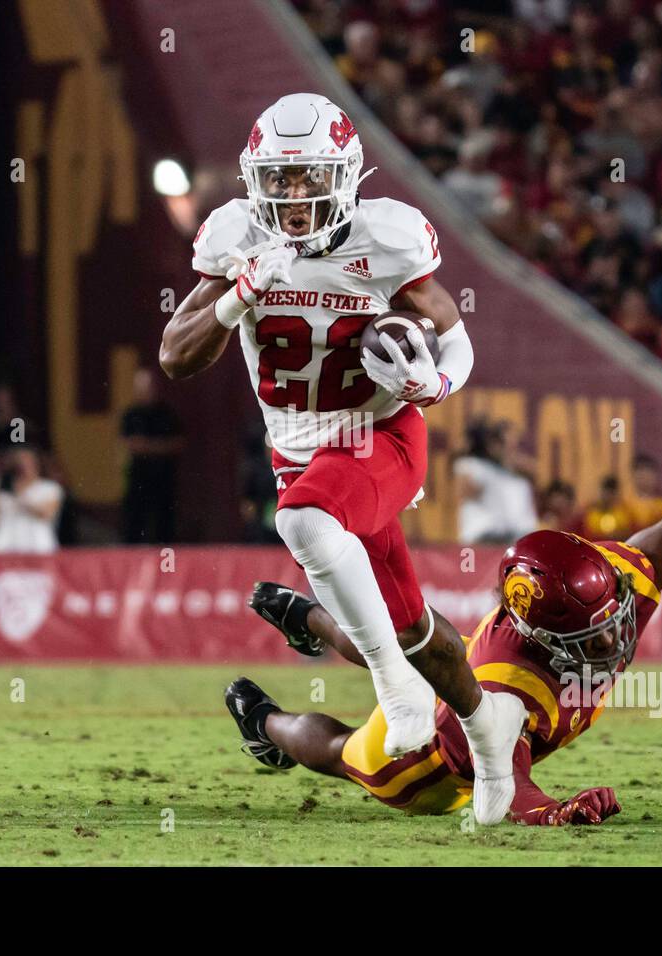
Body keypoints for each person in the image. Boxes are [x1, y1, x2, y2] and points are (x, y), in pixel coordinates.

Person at [161, 94, 526, 825]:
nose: (294, 198)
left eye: (309, 177)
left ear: (346, 175)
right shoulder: (236, 239)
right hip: (298, 449)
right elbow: (175, 355)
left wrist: (436, 381)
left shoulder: (385, 238)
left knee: (301, 521)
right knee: (416, 629)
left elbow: (453, 333)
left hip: (379, 436)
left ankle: (396, 689)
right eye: (280, 180)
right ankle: (490, 738)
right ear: (255, 180)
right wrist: (241, 294)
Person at [230, 503, 662, 824]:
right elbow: (507, 785)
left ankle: (307, 616)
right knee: (345, 751)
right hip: (434, 762)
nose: (617, 634)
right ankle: (266, 725)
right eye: (594, 635)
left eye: (614, 615)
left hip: (465, 664)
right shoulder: (511, 687)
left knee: (393, 645)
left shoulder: (609, 579)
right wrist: (552, 811)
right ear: (546, 638)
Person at [119, 367, 183, 543]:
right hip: (138, 478)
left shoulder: (166, 414)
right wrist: (157, 446)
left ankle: (166, 564)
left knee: (164, 524)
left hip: (163, 478)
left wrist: (147, 446)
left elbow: (177, 443)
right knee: (134, 522)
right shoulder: (130, 415)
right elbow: (128, 444)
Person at [452, 419, 538, 544]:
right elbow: (464, 490)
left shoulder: (519, 475)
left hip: (516, 539)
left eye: (514, 445)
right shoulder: (475, 466)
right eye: (504, 444)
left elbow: (536, 472)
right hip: (484, 540)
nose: (510, 449)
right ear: (492, 445)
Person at [0, 447, 63, 554]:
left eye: (27, 461)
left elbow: (46, 514)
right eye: (19, 461)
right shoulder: (2, 489)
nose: (23, 465)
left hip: (37, 545)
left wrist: (18, 496)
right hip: (5, 544)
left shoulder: (49, 488)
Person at [623, 454, 662, 534]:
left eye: (649, 473)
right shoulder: (624, 504)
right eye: (641, 474)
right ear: (632, 475)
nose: (645, 478)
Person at [580, 474, 632, 541]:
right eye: (604, 493)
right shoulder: (589, 512)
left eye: (611, 494)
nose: (607, 497)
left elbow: (628, 536)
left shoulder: (623, 513)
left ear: (616, 494)